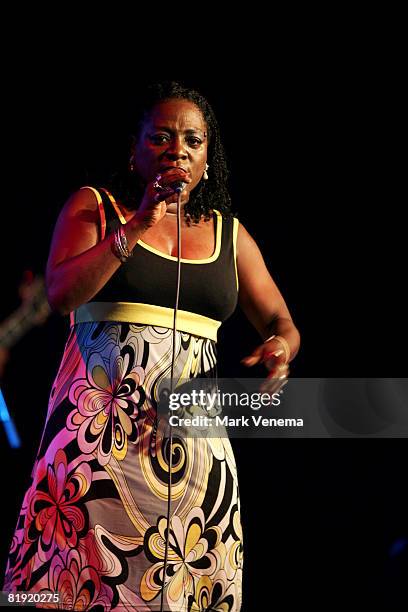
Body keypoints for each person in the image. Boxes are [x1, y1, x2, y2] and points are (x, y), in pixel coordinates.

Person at [3, 81, 300, 611]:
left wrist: (280, 346)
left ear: (208, 156)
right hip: (96, 451)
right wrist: (139, 223)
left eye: (192, 139)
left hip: (197, 463)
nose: (178, 150)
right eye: (161, 137)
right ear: (135, 149)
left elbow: (282, 320)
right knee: (80, 589)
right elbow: (60, 293)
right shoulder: (97, 208)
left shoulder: (230, 236)